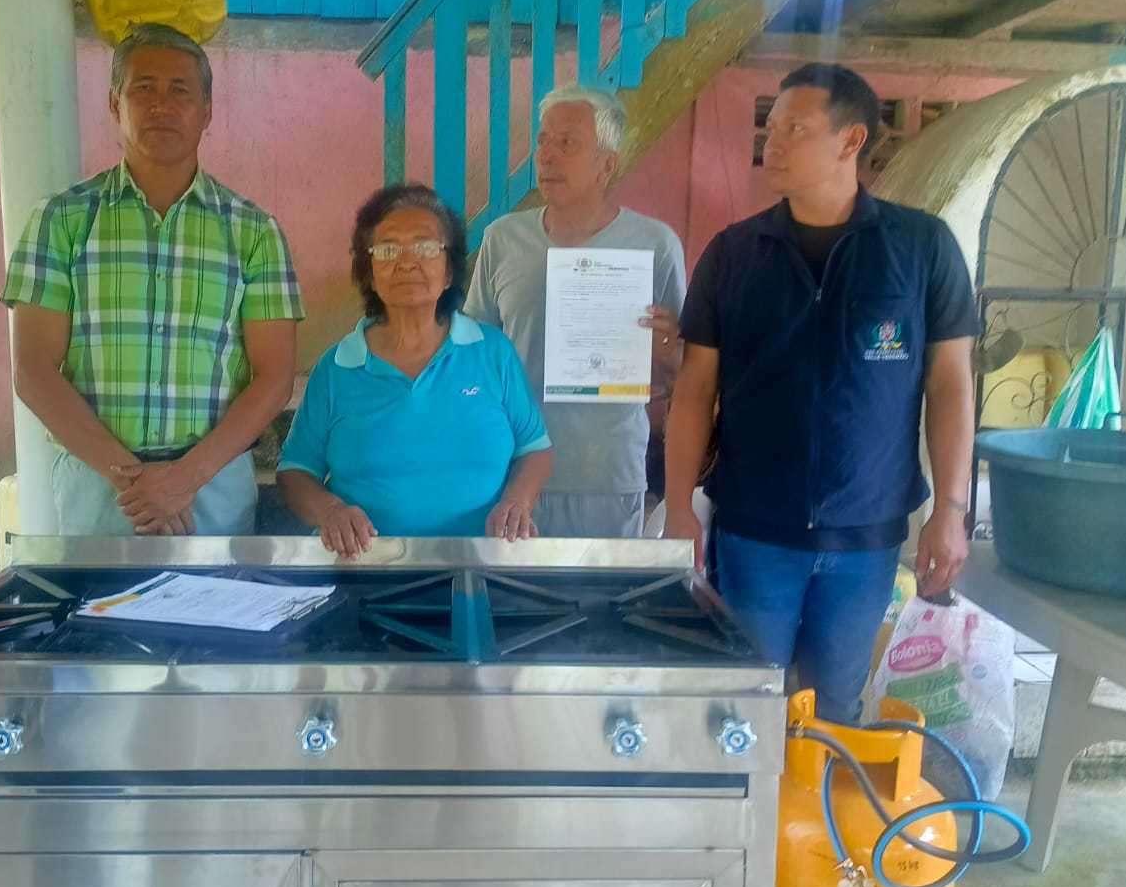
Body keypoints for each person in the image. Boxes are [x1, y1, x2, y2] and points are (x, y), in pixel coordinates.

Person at [663, 63, 977, 725]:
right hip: (755, 532)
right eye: (770, 128)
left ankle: (818, 796)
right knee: (745, 707)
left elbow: (950, 385)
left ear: (850, 139)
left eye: (795, 129)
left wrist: (951, 510)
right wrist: (679, 506)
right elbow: (694, 388)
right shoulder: (734, 254)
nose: (772, 143)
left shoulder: (920, 249)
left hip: (867, 538)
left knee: (835, 708)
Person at [1, 23, 303, 537]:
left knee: (217, 594)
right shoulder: (61, 221)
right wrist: (135, 480)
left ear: (207, 112)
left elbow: (275, 376)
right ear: (114, 104)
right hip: (100, 485)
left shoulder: (254, 232)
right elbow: (33, 369)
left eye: (180, 90)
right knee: (99, 595)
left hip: (213, 484)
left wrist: (185, 478)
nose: (162, 104)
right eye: (144, 88)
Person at [277, 184, 552, 557]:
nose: (407, 263)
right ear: (369, 273)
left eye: (425, 248)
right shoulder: (337, 367)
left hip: (477, 568)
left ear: (449, 270)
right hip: (364, 571)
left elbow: (534, 448)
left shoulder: (493, 353)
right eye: (388, 250)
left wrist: (517, 503)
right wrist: (331, 511)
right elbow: (295, 470)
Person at [464, 84, 686, 539]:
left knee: (599, 587)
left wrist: (667, 352)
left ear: (607, 164)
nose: (547, 156)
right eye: (543, 140)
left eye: (567, 143)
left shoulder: (655, 245)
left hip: (605, 476)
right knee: (510, 587)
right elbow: (474, 355)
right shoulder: (502, 240)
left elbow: (685, 374)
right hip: (511, 474)